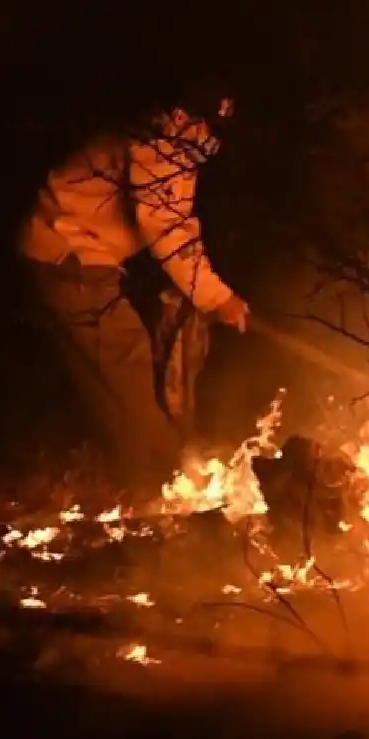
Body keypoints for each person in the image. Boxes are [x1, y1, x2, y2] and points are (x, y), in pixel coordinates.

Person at [19, 97, 249, 501]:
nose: (215, 145)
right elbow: (168, 227)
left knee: (115, 383)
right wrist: (219, 298)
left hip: (64, 252)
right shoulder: (161, 145)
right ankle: (164, 490)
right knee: (129, 371)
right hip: (71, 257)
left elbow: (171, 219)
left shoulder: (164, 138)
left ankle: (143, 484)